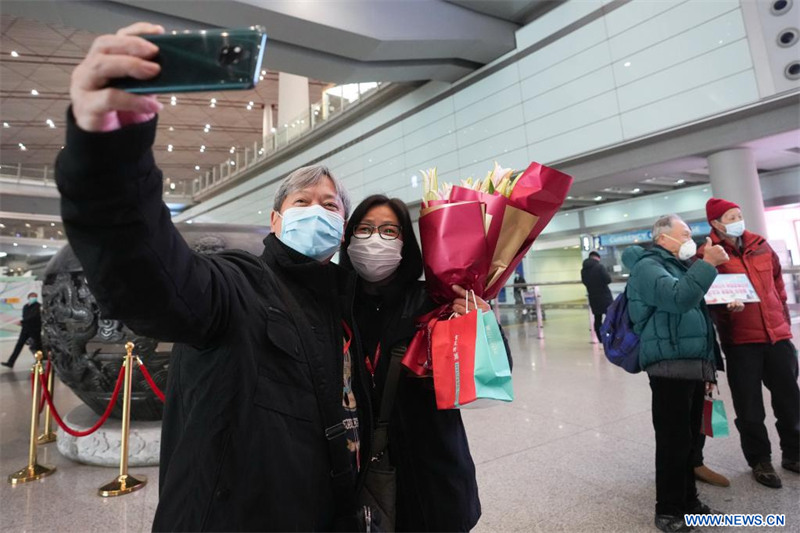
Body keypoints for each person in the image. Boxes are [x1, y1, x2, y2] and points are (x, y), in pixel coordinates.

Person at [57, 22, 374, 531]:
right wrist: (107, 157)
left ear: (342, 223)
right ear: (276, 220)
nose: (317, 212)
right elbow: (150, 277)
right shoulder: (237, 287)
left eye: (330, 205)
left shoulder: (344, 305)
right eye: (301, 203)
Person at [339, 195, 483, 531]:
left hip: (430, 471)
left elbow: (482, 375)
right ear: (349, 239)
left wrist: (481, 329)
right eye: (365, 229)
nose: (376, 239)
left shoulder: (434, 302)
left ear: (406, 242)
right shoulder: (335, 306)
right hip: (355, 471)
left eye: (390, 230)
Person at [622, 214, 728, 533]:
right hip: (669, 366)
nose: (690, 241)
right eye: (683, 234)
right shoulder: (648, 267)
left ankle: (690, 503)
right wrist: (707, 264)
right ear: (662, 238)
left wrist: (708, 365)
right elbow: (678, 299)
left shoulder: (677, 265)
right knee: (673, 441)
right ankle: (668, 510)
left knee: (690, 439)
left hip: (691, 363)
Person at [697, 198, 799, 489]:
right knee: (750, 406)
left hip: (777, 337)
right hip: (741, 341)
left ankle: (794, 453)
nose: (738, 219)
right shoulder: (710, 253)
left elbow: (777, 284)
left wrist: (781, 313)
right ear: (716, 223)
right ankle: (760, 461)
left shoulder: (761, 245)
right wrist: (723, 308)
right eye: (731, 216)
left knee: (790, 400)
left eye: (739, 214)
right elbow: (704, 292)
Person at [2, 292, 42, 369]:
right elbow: (25, 316)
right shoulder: (25, 307)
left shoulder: (38, 306)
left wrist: (22, 322)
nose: (33, 298)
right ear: (28, 297)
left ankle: (39, 361)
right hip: (25, 329)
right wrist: (23, 323)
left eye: (34, 297)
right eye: (31, 296)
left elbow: (34, 317)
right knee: (18, 345)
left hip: (35, 329)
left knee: (38, 346)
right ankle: (10, 362)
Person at [581, 251, 612, 341]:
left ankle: (600, 338)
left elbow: (585, 282)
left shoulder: (583, 270)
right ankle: (610, 334)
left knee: (597, 318)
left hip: (593, 296)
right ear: (597, 258)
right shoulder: (599, 267)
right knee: (611, 315)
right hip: (604, 296)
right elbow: (608, 280)